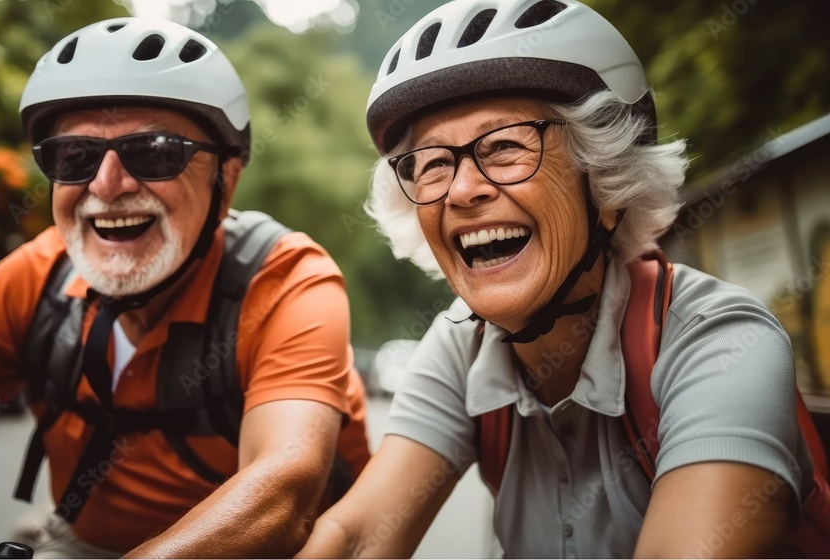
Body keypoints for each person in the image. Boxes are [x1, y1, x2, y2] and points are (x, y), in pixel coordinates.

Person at [0, 17, 370, 558]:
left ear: (224, 180)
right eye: (75, 157)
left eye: (156, 152)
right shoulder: (41, 273)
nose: (107, 186)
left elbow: (283, 487)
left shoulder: (288, 281)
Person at [298, 0, 815, 557]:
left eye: (504, 147)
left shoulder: (720, 340)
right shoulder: (460, 348)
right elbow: (355, 538)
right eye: (434, 163)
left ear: (607, 184)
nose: (463, 190)